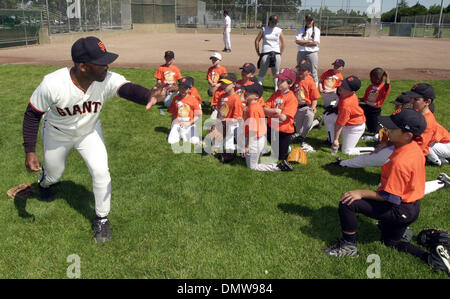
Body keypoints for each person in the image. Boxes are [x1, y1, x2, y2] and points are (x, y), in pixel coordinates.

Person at [23, 36, 157, 243]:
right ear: (83, 66)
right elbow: (33, 114)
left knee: (101, 172)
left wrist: (149, 95)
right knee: (54, 174)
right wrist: (30, 150)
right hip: (57, 133)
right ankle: (45, 184)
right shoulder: (53, 83)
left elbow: (127, 89)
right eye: (101, 62)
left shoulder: (106, 79)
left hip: (89, 132)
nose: (107, 66)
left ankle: (102, 218)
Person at [324, 109, 450, 277]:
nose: (387, 130)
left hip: (399, 209)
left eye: (393, 128)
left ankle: (348, 246)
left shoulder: (400, 161)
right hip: (411, 208)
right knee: (390, 242)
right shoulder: (412, 147)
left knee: (349, 202)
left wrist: (361, 192)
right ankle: (431, 258)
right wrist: (385, 143)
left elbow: (390, 197)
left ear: (408, 135)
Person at [263, 68, 299, 171]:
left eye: (282, 81)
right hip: (272, 127)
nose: (278, 82)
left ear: (290, 83)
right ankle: (278, 148)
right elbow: (264, 109)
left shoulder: (292, 98)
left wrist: (272, 112)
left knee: (281, 158)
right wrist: (275, 111)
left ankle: (287, 148)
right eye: (278, 80)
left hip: (284, 130)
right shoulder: (276, 94)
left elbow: (283, 118)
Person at [330, 76, 374, 155]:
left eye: (345, 87)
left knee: (347, 151)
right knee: (328, 117)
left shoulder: (346, 105)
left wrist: (336, 140)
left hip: (355, 127)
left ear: (351, 91)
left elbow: (340, 124)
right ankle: (330, 140)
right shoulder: (346, 94)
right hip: (350, 122)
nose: (341, 87)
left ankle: (373, 149)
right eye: (342, 84)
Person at [242, 83, 281, 172]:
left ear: (256, 96)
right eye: (246, 91)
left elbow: (253, 130)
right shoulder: (254, 106)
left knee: (252, 167)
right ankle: (259, 153)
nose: (245, 93)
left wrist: (247, 146)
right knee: (247, 157)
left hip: (255, 140)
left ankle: (278, 167)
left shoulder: (253, 109)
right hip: (260, 138)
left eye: (249, 92)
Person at [290, 59, 321, 153]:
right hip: (297, 107)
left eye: (303, 70)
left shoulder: (310, 82)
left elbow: (315, 97)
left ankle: (302, 137)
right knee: (300, 129)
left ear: (308, 72)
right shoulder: (294, 79)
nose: (300, 71)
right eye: (299, 69)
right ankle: (316, 122)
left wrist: (313, 107)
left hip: (307, 106)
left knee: (309, 115)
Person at [216, 73, 244, 162]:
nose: (223, 86)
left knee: (230, 130)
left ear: (234, 84)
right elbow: (219, 111)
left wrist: (224, 122)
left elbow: (236, 119)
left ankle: (230, 152)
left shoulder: (236, 99)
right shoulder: (221, 96)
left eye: (226, 84)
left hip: (234, 125)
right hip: (224, 122)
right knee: (216, 141)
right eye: (222, 83)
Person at [167, 77, 202, 145]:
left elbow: (198, 115)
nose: (182, 90)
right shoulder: (175, 99)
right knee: (171, 141)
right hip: (178, 123)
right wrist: (172, 125)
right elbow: (174, 113)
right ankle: (180, 133)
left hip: (189, 124)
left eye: (185, 88)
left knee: (195, 141)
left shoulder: (193, 100)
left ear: (189, 89)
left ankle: (184, 133)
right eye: (181, 87)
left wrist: (189, 123)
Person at [254, 15, 285, 91]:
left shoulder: (279, 30)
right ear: (269, 21)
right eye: (272, 22)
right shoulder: (264, 29)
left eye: (275, 22)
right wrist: (258, 52)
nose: (274, 23)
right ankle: (258, 89)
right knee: (262, 72)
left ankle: (277, 89)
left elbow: (283, 43)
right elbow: (257, 40)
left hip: (276, 52)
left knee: (276, 72)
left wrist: (280, 53)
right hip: (266, 52)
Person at [360, 68, 391, 134]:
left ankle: (384, 126)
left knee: (373, 130)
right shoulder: (370, 86)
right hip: (367, 107)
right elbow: (365, 99)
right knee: (354, 107)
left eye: (372, 78)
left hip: (374, 111)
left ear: (379, 78)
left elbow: (387, 84)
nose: (370, 79)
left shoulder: (383, 87)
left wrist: (387, 75)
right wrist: (356, 99)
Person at [295, 13, 320, 85]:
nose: (309, 22)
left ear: (313, 21)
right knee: (300, 70)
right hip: (301, 52)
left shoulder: (316, 30)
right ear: (305, 21)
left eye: (310, 20)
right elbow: (297, 41)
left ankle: (314, 88)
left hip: (312, 53)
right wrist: (308, 41)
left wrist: (303, 43)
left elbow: (315, 43)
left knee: (313, 71)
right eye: (307, 20)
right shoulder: (301, 30)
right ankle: (299, 86)